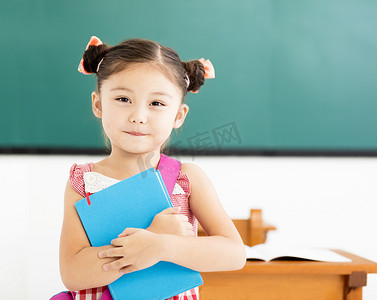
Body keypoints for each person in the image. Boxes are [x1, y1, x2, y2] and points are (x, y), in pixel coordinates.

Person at [59, 36, 246, 300]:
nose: (138, 116)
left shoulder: (187, 180)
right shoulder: (84, 181)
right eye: (123, 99)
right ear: (98, 104)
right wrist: (143, 243)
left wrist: (161, 245)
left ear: (178, 115)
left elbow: (234, 254)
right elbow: (73, 273)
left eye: (156, 103)